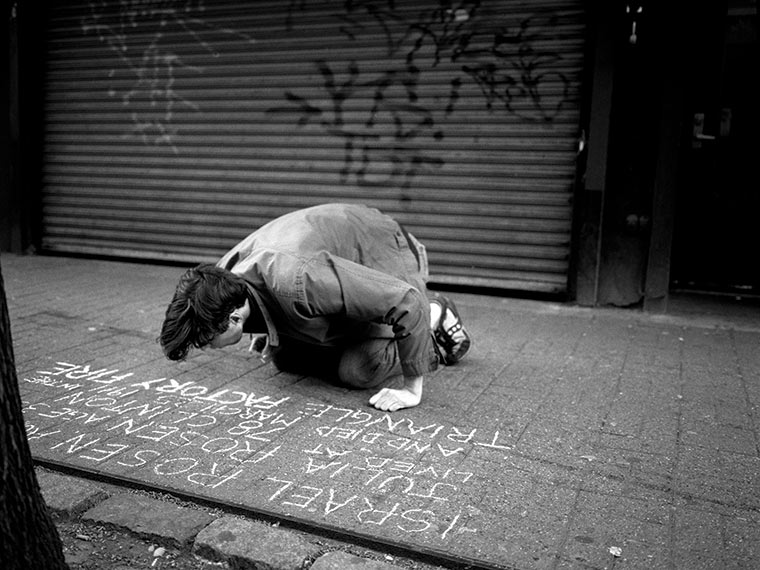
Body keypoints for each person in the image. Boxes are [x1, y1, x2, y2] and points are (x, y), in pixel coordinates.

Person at [159, 203, 470, 412]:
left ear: (235, 316)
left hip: (380, 248)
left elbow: (404, 301)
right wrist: (268, 326)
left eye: (206, 340)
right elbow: (261, 296)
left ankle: (435, 314)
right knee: (286, 358)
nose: (207, 347)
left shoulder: (299, 280)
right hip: (330, 259)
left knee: (358, 369)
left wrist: (411, 390)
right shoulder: (224, 279)